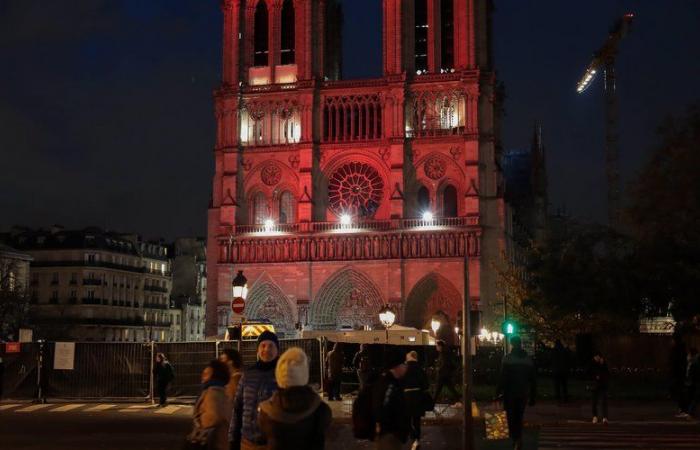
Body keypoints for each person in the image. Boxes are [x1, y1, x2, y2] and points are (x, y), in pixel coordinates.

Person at [258, 347, 332, 450]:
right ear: (304, 373)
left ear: (279, 373)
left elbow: (262, 438)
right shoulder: (321, 410)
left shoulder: (266, 412)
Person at [230, 331, 279, 450]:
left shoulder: (283, 376)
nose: (266, 349)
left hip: (273, 444)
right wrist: (233, 439)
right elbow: (237, 409)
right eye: (263, 345)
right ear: (257, 350)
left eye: (271, 346)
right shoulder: (247, 375)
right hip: (247, 442)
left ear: (277, 351)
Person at [496, 336, 536, 450]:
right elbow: (533, 380)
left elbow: (502, 378)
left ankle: (515, 438)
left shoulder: (507, 358)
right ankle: (518, 438)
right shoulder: (528, 359)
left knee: (510, 416)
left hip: (509, 393)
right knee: (519, 416)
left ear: (512, 344)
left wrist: (497, 392)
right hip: (523, 393)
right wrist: (533, 396)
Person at [186, 360, 232, 450]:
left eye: (206, 374)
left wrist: (200, 423)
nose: (202, 377)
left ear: (215, 376)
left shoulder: (213, 392)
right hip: (221, 441)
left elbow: (214, 416)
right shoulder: (222, 390)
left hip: (214, 443)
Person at [372, 348, 409, 450]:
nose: (406, 366)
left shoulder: (394, 382)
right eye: (404, 363)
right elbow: (381, 408)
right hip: (389, 437)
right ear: (397, 366)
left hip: (393, 435)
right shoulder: (389, 384)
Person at [403, 351, 430, 450]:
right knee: (417, 421)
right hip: (418, 397)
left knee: (406, 419)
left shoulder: (405, 368)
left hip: (406, 397)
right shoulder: (420, 369)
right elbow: (426, 385)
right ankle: (417, 440)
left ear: (409, 357)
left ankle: (413, 435)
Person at [433, 340, 458, 405]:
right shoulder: (444, 352)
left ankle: (432, 403)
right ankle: (458, 399)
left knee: (437, 389)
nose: (436, 347)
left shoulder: (444, 353)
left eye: (437, 346)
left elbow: (444, 363)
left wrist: (438, 369)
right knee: (450, 388)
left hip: (443, 375)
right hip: (445, 375)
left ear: (440, 346)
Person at [590, 352, 610, 424]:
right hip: (595, 385)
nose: (597, 358)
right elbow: (589, 373)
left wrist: (602, 364)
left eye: (598, 357)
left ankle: (605, 417)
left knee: (604, 402)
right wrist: (595, 376)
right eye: (595, 357)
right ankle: (595, 417)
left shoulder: (603, 364)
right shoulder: (592, 364)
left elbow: (607, 373)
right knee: (594, 402)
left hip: (603, 385)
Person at [670, 337, 688, 416]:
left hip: (679, 375)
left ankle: (683, 409)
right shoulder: (681, 352)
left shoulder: (677, 352)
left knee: (680, 392)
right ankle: (683, 409)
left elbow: (675, 363)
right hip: (680, 375)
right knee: (680, 392)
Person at [682, 348, 699, 418]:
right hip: (692, 382)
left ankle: (690, 412)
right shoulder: (692, 362)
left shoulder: (694, 362)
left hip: (693, 382)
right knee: (693, 397)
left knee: (694, 397)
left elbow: (692, 373)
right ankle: (690, 411)